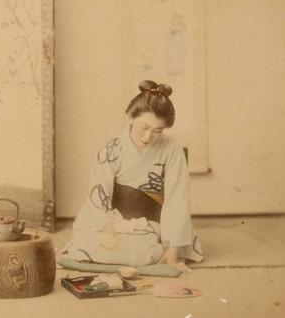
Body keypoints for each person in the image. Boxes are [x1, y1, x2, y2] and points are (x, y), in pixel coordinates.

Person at [61, 80, 203, 273]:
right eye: (143, 127)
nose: (147, 137)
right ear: (132, 117)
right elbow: (99, 194)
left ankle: (155, 249)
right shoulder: (112, 149)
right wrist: (107, 226)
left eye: (158, 131)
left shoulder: (172, 150)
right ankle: (140, 251)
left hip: (153, 220)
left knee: (145, 248)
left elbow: (177, 199)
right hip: (114, 217)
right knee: (89, 243)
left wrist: (173, 247)